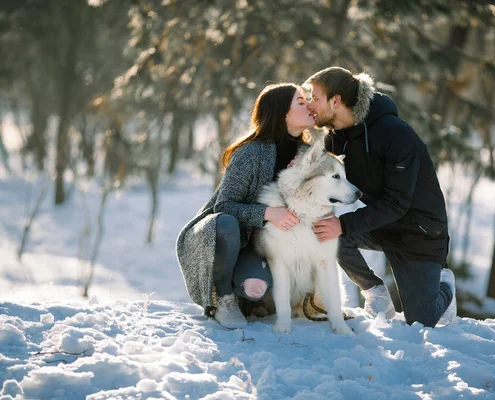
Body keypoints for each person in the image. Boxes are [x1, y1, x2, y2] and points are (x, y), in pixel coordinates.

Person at [304, 67, 457, 327]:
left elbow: (397, 202)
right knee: (330, 236)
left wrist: (343, 224)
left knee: (422, 319)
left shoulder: (395, 134)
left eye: (315, 97)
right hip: (385, 223)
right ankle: (376, 294)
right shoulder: (339, 136)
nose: (310, 104)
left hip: (419, 232)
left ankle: (445, 286)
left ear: (336, 101)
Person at [176, 83, 315, 329]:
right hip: (230, 237)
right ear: (282, 113)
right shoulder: (251, 152)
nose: (309, 106)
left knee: (256, 287)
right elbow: (224, 206)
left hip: (268, 245)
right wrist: (267, 213)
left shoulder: (308, 154)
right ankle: (224, 297)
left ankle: (248, 296)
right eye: (301, 102)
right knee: (230, 227)